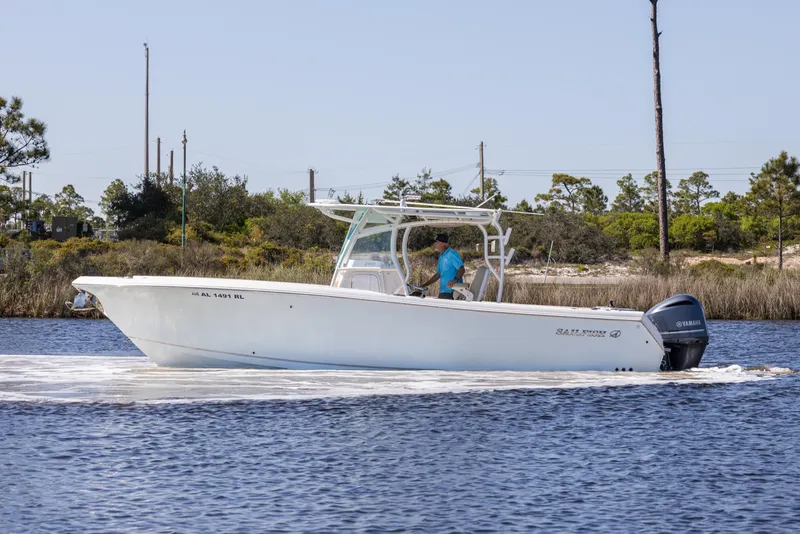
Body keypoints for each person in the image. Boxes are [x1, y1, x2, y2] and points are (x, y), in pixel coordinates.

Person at [420, 233, 465, 299]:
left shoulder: (451, 254)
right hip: (443, 292)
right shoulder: (442, 256)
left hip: (451, 292)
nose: (434, 244)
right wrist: (423, 286)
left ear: (442, 243)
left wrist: (454, 280)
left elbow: (461, 269)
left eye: (436, 242)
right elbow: (437, 275)